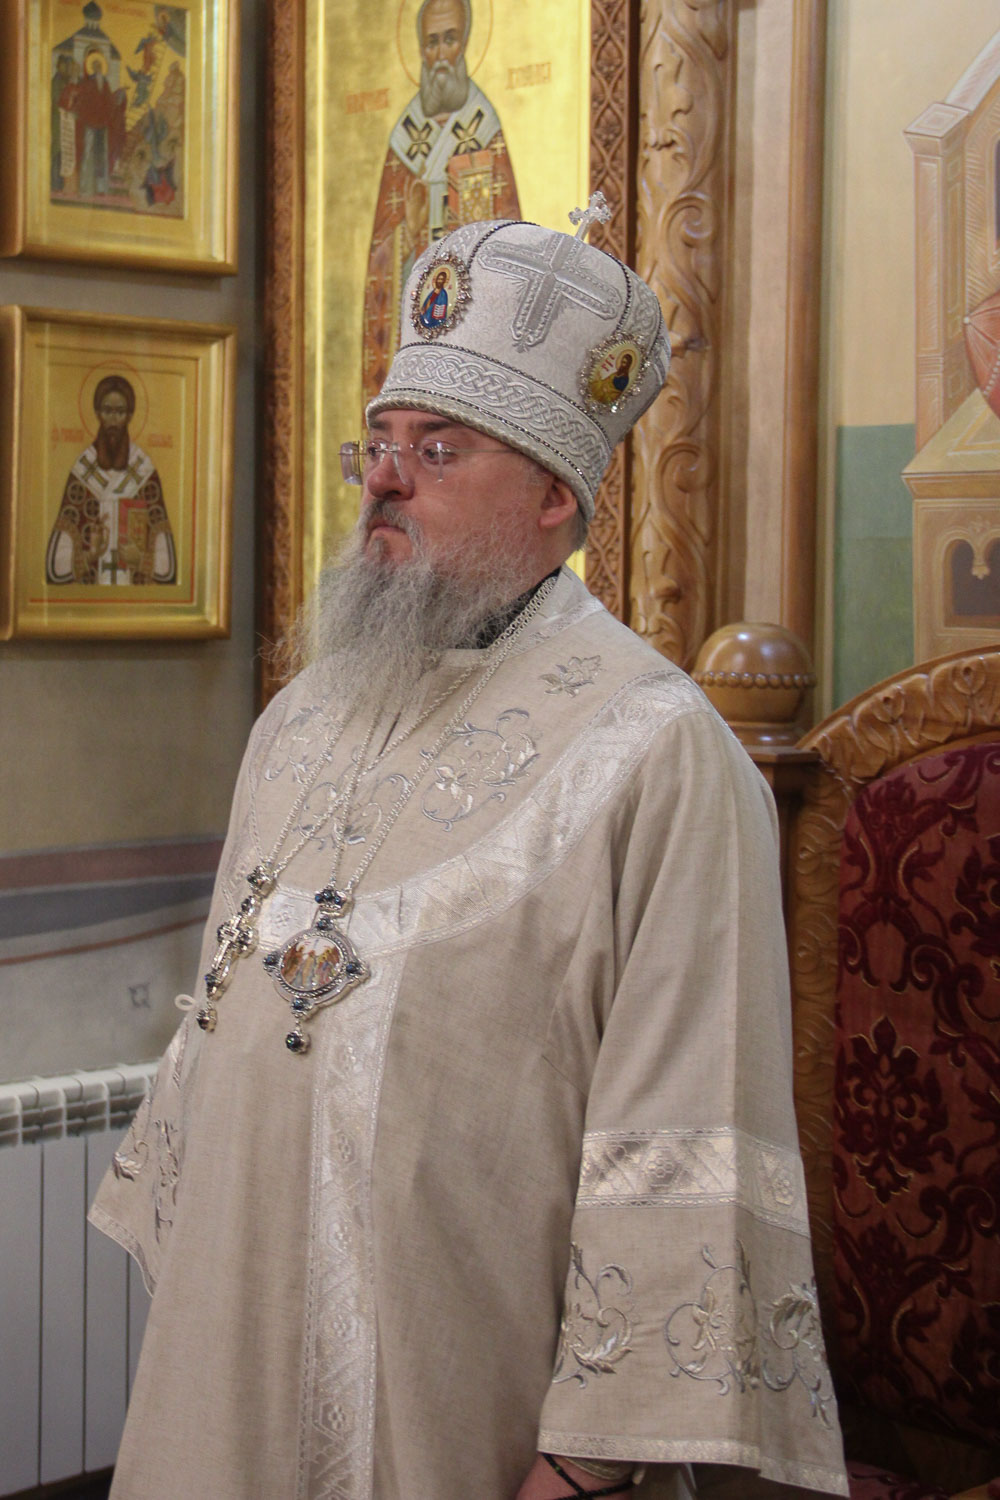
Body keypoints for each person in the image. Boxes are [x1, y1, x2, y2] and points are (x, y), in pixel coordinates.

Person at [91, 205, 849, 1500]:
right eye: (379, 444)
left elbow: (686, 1126)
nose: (385, 479)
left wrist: (584, 1465)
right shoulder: (302, 717)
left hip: (467, 1398)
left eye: (438, 450)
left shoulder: (656, 753)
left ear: (555, 496)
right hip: (229, 1366)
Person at [362, 0, 521, 405]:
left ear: (465, 42)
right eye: (431, 42)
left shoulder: (484, 127)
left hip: (472, 325)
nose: (440, 54)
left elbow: (512, 243)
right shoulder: (404, 138)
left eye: (449, 39)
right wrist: (408, 233)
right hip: (417, 319)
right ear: (420, 49)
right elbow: (381, 250)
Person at [45, 374, 176, 586]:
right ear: (98, 413)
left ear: (130, 415)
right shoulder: (83, 471)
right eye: (107, 410)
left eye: (120, 412)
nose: (113, 419)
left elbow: (168, 570)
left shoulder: (144, 470)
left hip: (135, 601)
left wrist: (140, 560)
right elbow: (54, 570)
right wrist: (90, 555)